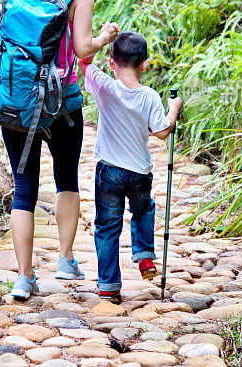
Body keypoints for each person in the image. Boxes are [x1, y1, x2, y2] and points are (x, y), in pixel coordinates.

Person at [5, 0, 119, 300]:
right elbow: (84, 48)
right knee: (66, 179)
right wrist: (105, 36)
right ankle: (66, 259)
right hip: (61, 102)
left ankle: (24, 277)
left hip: (17, 100)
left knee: (24, 188)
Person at [78, 32, 183, 303]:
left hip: (110, 172)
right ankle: (145, 256)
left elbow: (83, 61)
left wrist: (102, 38)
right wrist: (174, 108)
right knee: (143, 210)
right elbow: (162, 132)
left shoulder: (104, 86)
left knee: (107, 226)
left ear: (112, 63)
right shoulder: (149, 96)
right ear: (144, 64)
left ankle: (109, 285)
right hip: (139, 173)